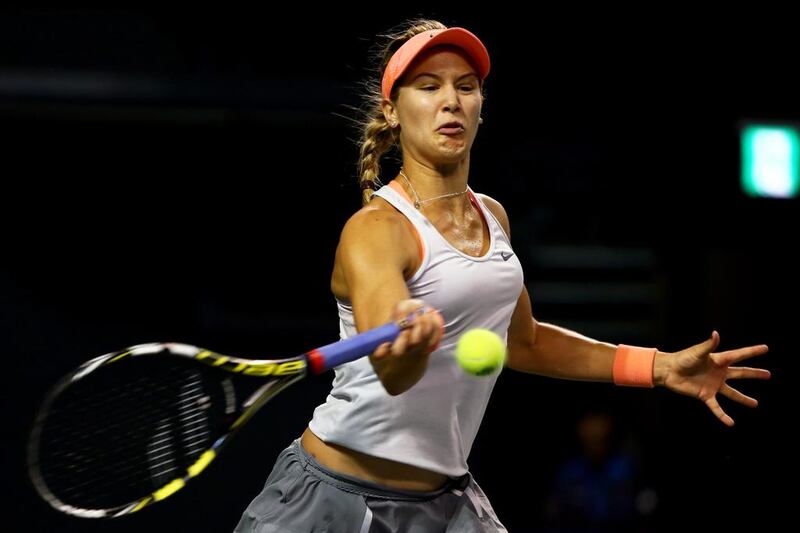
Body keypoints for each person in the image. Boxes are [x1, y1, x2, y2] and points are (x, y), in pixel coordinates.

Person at [234, 18, 770, 532]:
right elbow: (391, 373)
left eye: (466, 86)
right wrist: (408, 338)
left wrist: (657, 366)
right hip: (334, 499)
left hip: (445, 503)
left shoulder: (492, 217)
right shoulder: (376, 228)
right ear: (392, 110)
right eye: (428, 86)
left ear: (480, 107)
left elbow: (526, 342)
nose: (451, 100)